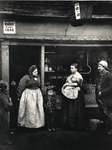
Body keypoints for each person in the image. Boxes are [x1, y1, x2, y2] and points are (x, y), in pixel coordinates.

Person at [61, 63, 86, 130]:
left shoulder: (78, 76)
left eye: (72, 68)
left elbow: (78, 84)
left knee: (75, 108)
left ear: (76, 69)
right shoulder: (71, 75)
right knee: (69, 108)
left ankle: (76, 125)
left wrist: (67, 84)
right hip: (69, 93)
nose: (71, 69)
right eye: (70, 68)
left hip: (76, 93)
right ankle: (68, 125)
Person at [96, 60, 112, 135]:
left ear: (104, 67)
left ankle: (110, 130)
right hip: (101, 99)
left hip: (107, 99)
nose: (98, 68)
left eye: (99, 66)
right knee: (104, 113)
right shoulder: (100, 75)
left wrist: (102, 93)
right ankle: (107, 129)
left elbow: (111, 88)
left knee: (108, 114)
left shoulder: (109, 75)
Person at [0, 80, 13, 145]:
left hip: (2, 111)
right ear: (4, 88)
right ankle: (5, 140)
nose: (8, 88)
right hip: (3, 112)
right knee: (5, 125)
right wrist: (11, 103)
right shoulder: (3, 95)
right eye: (7, 87)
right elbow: (6, 105)